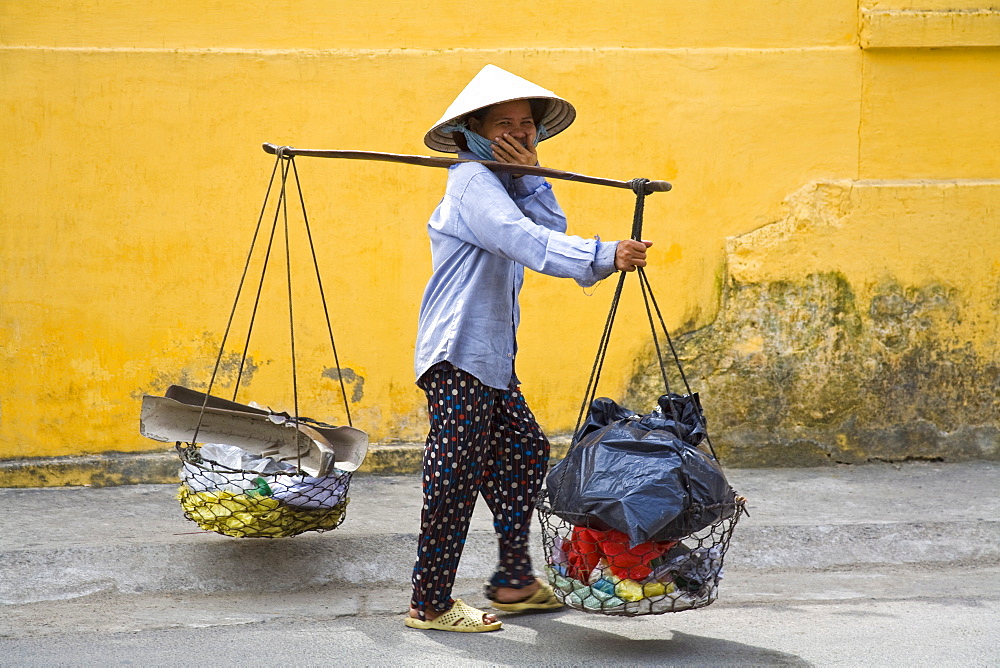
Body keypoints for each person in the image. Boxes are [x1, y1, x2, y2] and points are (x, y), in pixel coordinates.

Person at [406, 64, 652, 632]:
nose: (519, 133)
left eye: (527, 125)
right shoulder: (469, 180)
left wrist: (533, 176)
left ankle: (514, 580)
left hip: (490, 359)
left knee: (523, 453)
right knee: (454, 476)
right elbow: (526, 242)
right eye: (504, 125)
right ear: (473, 131)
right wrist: (601, 255)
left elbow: (547, 222)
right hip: (457, 354)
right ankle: (429, 602)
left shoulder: (506, 183)